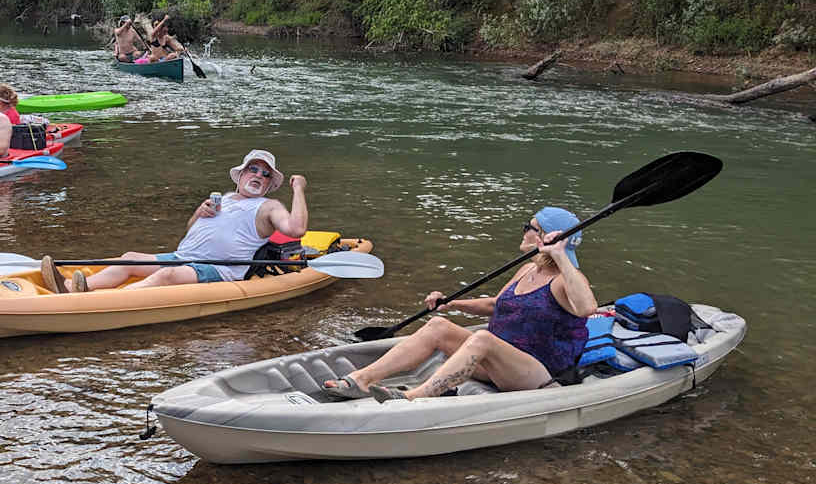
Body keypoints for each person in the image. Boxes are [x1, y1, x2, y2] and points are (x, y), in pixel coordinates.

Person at [322, 207, 596, 401]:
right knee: (439, 326)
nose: (524, 231)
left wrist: (560, 255)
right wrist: (451, 304)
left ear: (545, 236)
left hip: (537, 373)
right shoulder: (527, 269)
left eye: (530, 227)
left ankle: (414, 396)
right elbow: (496, 305)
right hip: (498, 363)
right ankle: (362, 379)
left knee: (483, 338)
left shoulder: (565, 279)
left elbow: (586, 309)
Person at [41, 149, 308, 294]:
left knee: (167, 274)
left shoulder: (268, 206)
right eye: (253, 169)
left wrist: (298, 189)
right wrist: (198, 214)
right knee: (130, 257)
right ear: (239, 175)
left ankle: (105, 301)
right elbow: (192, 230)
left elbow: (296, 229)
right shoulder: (223, 198)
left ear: (269, 184)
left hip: (219, 270)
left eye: (265, 174)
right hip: (185, 256)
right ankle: (73, 288)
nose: (258, 176)